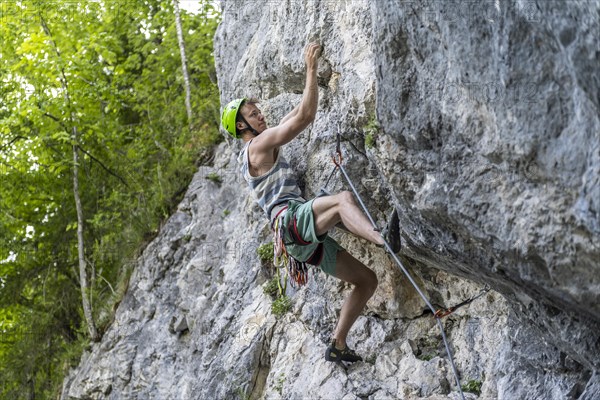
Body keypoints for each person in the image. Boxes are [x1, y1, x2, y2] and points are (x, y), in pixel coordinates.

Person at [221, 42, 400, 366]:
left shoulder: (253, 150)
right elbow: (304, 117)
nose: (259, 114)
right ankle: (382, 239)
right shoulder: (258, 146)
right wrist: (311, 68)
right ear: (242, 127)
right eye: (252, 114)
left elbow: (294, 114)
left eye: (257, 110)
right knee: (342, 200)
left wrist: (312, 84)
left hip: (298, 243)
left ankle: (338, 343)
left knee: (366, 280)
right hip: (291, 221)